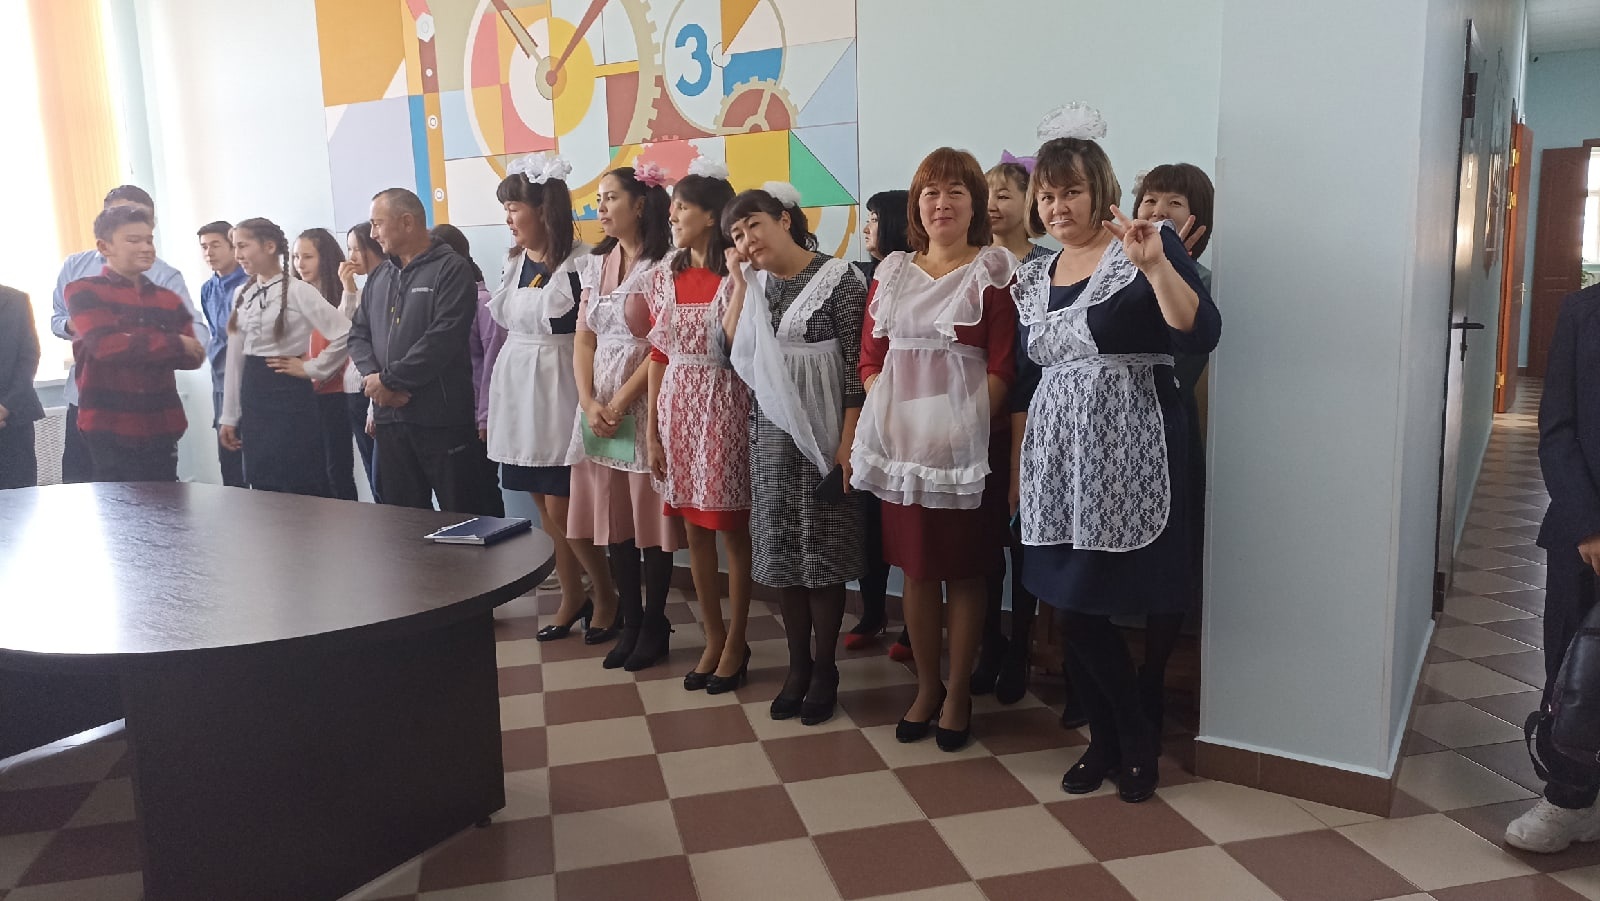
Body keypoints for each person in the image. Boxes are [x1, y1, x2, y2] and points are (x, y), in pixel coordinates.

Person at [1012, 104, 1219, 804]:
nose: (1057, 206)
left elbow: (1200, 333)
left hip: (1130, 449)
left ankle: (1130, 739)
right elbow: (1029, 373)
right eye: (1046, 194)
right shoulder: (1035, 274)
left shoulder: (1146, 246)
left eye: (1071, 190)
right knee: (1069, 605)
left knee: (1089, 604)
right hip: (1057, 458)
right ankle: (1110, 737)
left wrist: (1156, 267)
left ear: (1099, 190)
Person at [852, 148, 1018, 751]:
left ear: (975, 205)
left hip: (967, 450)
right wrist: (899, 417)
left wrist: (955, 429)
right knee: (916, 572)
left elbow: (1003, 367)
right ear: (916, 207)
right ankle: (926, 687)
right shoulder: (892, 271)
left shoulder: (995, 271)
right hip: (903, 451)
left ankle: (959, 694)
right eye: (930, 193)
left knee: (966, 573)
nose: (941, 203)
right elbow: (871, 360)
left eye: (955, 192)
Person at [724, 184, 868, 726]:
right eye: (737, 234)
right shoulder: (754, 284)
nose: (747, 239)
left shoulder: (841, 278)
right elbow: (729, 350)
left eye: (754, 225)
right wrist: (739, 283)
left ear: (784, 220)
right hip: (770, 436)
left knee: (822, 554)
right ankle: (797, 666)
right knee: (784, 556)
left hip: (826, 433)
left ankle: (825, 669)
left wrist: (847, 443)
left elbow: (857, 368)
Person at [486, 153, 616, 644]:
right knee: (543, 504)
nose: (508, 218)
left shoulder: (583, 262)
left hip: (562, 383)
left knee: (565, 505)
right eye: (506, 209)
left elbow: (595, 333)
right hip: (520, 385)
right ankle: (572, 595)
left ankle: (606, 594)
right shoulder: (515, 262)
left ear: (544, 210)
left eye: (514, 208)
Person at [567, 165, 685, 671]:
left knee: (648, 521)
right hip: (599, 407)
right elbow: (584, 340)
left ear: (640, 204)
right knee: (613, 517)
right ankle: (630, 620)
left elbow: (663, 344)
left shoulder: (668, 264)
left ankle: (655, 622)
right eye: (598, 199)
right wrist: (589, 400)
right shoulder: (595, 264)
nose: (601, 208)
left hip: (644, 402)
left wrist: (618, 403)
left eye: (611, 197)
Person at [645, 159, 754, 692]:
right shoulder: (663, 275)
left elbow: (741, 347)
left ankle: (737, 641)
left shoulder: (737, 274)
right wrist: (651, 431)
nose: (672, 216)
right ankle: (713, 636)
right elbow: (658, 354)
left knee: (730, 527)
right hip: (676, 405)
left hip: (725, 402)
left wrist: (741, 282)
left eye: (683, 207)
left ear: (712, 216)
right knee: (692, 528)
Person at [1506, 279, 1600, 853]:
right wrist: (1588, 525)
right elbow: (1558, 427)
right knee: (1575, 673)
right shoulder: (1583, 312)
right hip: (1584, 536)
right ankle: (1570, 798)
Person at [348, 188, 503, 515]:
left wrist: (389, 381)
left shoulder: (451, 269)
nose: (373, 234)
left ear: (407, 222)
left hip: (441, 421)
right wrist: (375, 379)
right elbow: (358, 334)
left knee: (464, 518)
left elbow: (442, 339)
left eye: (377, 224)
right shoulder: (380, 276)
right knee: (403, 523)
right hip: (390, 420)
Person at [1131, 163, 1216, 734]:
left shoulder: (1199, 281)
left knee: (1168, 563)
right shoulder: (1108, 267)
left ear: (1199, 220)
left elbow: (1182, 364)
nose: (1159, 212)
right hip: (1105, 434)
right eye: (1150, 200)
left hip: (1167, 434)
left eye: (1174, 203)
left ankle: (1152, 681)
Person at [51, 185, 201, 484]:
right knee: (84, 491)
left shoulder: (165, 278)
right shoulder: (77, 271)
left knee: (157, 500)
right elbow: (68, 326)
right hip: (90, 403)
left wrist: (119, 334)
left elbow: (193, 348)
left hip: (153, 411)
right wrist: (84, 327)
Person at [972, 155, 1053, 704]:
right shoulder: (974, 263)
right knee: (983, 545)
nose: (993, 205)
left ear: (1031, 202)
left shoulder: (1049, 266)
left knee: (1026, 542)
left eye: (1005, 194)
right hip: (981, 419)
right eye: (987, 195)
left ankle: (1021, 647)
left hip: (1038, 419)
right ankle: (988, 645)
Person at [218, 218, 351, 497]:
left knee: (300, 479)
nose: (238, 254)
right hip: (254, 395)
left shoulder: (299, 290)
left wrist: (312, 368)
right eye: (235, 247)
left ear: (269, 247)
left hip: (290, 393)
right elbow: (234, 359)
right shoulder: (242, 293)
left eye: (243, 246)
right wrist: (229, 415)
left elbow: (345, 332)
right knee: (262, 480)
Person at [847, 189, 913, 661]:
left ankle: (913, 626)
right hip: (871, 414)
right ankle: (872, 613)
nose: (867, 227)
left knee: (909, 526)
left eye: (874, 218)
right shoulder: (857, 275)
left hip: (917, 420)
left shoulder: (920, 274)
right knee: (869, 524)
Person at [294, 227, 359, 500]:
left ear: (326, 258)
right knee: (311, 473)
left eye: (307, 257)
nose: (300, 264)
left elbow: (342, 338)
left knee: (337, 472)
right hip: (303, 395)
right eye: (296, 256)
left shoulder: (345, 295)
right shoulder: (294, 297)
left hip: (335, 395)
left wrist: (349, 292)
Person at [197, 221, 250, 487]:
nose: (209, 253)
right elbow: (216, 335)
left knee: (256, 465)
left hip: (249, 382)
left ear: (232, 247)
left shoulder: (249, 284)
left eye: (215, 245)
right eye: (204, 247)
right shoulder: (207, 289)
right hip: (220, 382)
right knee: (230, 467)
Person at [340, 223, 384, 498]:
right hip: (354, 391)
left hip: (373, 393)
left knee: (384, 479)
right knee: (372, 473)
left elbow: (378, 353)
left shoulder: (382, 288)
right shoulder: (362, 289)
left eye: (357, 249)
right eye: (349, 249)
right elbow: (344, 332)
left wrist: (373, 409)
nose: (351, 257)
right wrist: (348, 289)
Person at [0, 286, 44, 490]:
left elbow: (29, 356)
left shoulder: (16, 300)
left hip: (14, 418)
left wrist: (5, 407)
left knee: (20, 498)